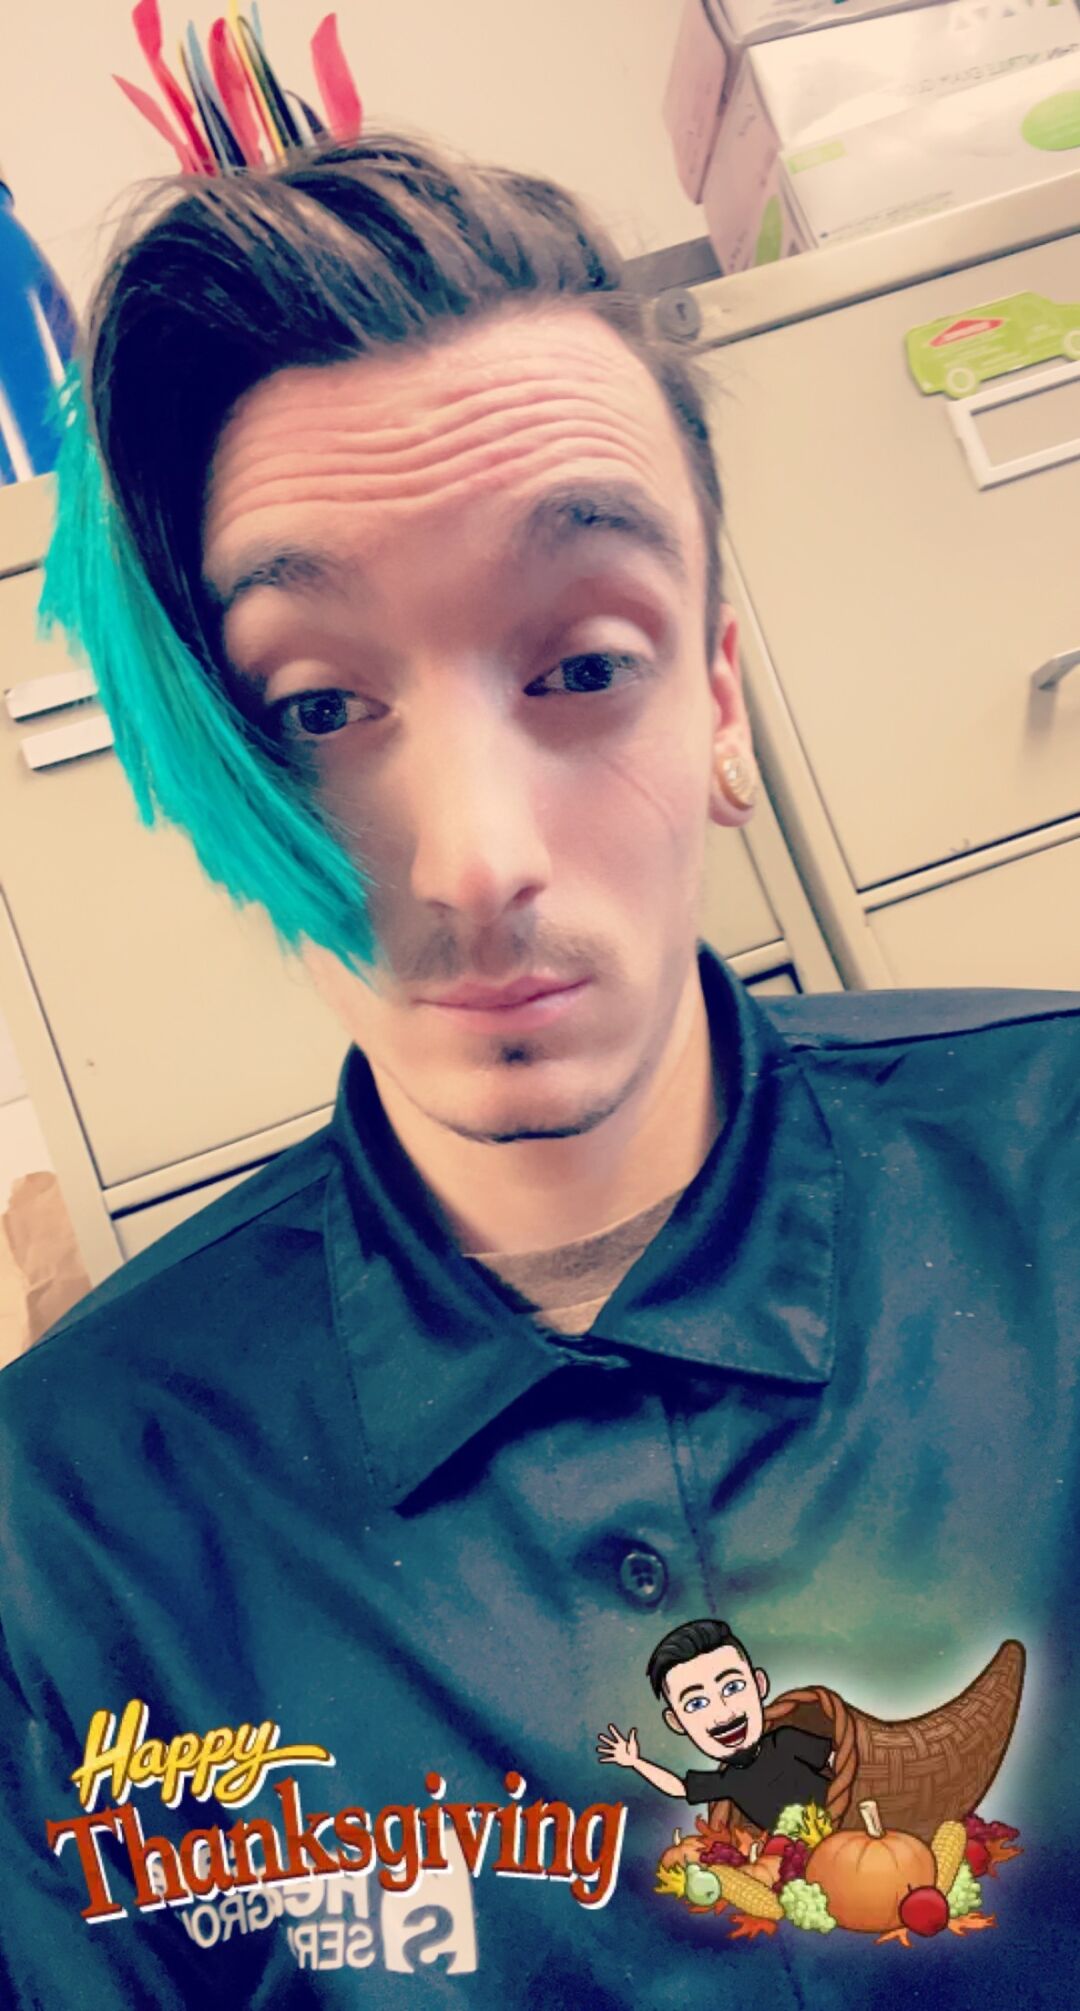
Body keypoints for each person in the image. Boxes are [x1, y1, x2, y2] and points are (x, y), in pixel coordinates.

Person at [0, 131, 1078, 2009]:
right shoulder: (67, 1536)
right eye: (321, 706)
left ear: (720, 696)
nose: (476, 855)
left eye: (581, 666)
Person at [597, 1616, 833, 1834]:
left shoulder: (785, 1741)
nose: (723, 1715)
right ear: (676, 1722)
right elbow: (679, 1788)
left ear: (759, 1684)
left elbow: (839, 1758)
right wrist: (635, 1762)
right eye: (697, 1703)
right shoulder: (728, 1781)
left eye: (732, 1687)